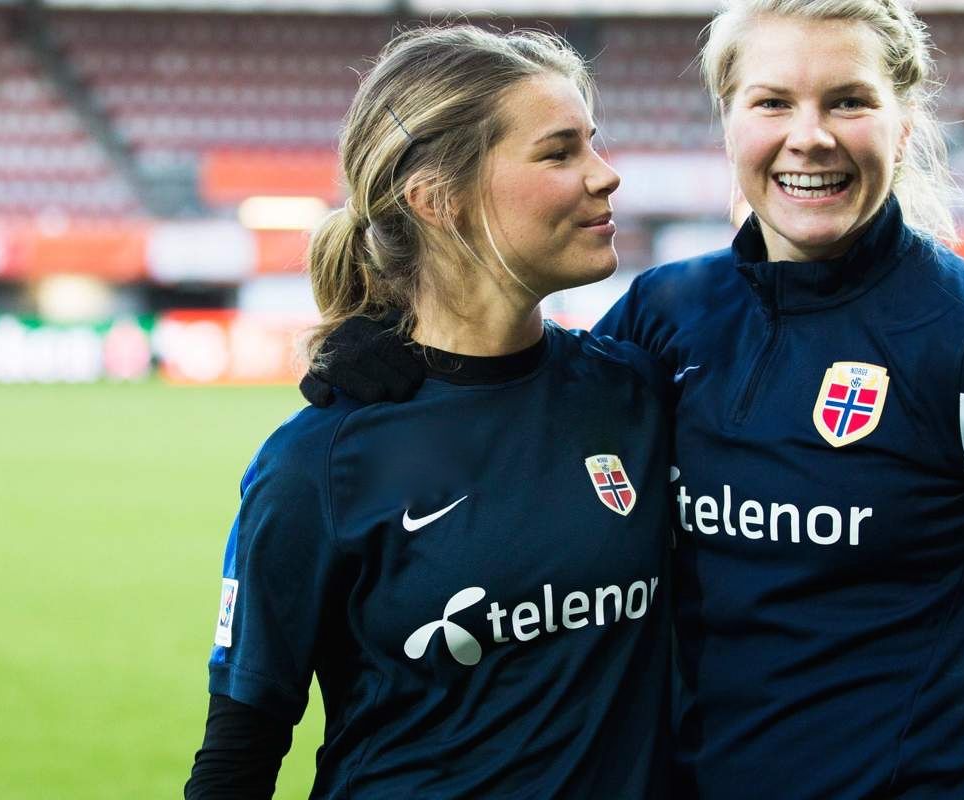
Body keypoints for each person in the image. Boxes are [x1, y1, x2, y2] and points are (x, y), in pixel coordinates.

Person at [302, 1, 964, 798]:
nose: (811, 135)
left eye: (849, 100)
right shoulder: (669, 314)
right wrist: (393, 358)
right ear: (729, 121)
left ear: (903, 122)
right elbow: (523, 410)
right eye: (773, 102)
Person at [186, 25, 675, 799]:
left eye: (594, 143)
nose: (605, 175)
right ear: (438, 200)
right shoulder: (320, 461)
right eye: (559, 152)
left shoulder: (637, 394)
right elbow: (239, 752)